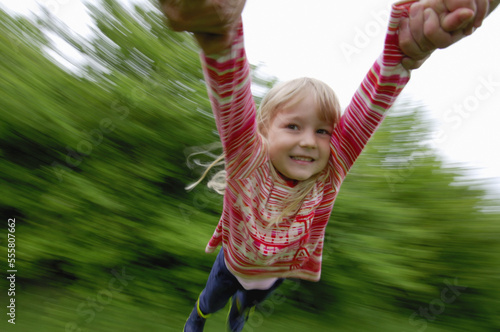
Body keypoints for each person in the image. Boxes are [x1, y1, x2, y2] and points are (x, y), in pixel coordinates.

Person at [159, 1, 497, 331]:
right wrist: (221, 35)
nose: (308, 141)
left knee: (249, 302)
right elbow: (231, 94)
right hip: (233, 265)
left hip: (276, 272)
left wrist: (400, 57)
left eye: (322, 131)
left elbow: (370, 107)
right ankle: (198, 318)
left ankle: (241, 311)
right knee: (212, 299)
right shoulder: (248, 160)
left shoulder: (329, 170)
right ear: (264, 131)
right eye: (293, 126)